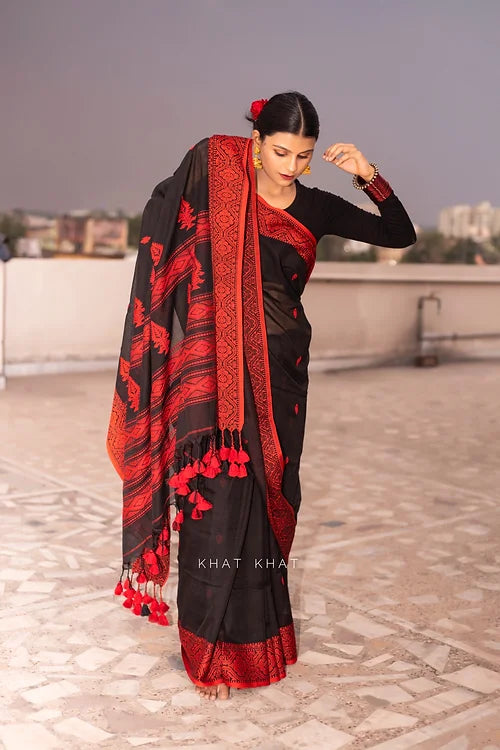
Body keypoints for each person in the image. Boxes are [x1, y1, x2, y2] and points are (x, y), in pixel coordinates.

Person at [106, 91, 416, 702]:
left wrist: (368, 175)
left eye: (302, 156)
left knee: (269, 509)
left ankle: (260, 641)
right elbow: (164, 210)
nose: (291, 166)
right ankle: (207, 652)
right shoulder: (222, 185)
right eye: (280, 152)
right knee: (217, 509)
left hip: (282, 377)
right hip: (216, 384)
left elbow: (398, 233)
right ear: (255, 143)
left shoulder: (317, 207)